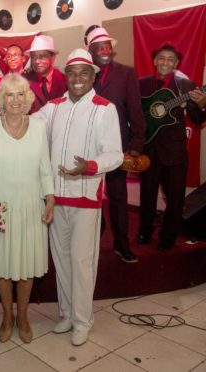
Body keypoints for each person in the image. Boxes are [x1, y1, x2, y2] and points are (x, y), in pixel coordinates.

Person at [35, 49, 123, 346]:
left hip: (86, 197)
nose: (77, 79)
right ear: (66, 76)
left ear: (93, 76)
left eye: (84, 73)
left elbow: (116, 154)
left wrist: (91, 166)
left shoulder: (104, 108)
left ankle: (83, 320)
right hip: (55, 198)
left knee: (82, 261)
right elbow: (26, 125)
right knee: (61, 260)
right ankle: (67, 314)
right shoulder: (53, 107)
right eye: (71, 73)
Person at [0, 73, 55, 344]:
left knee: (27, 266)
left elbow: (45, 169)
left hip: (31, 207)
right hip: (0, 207)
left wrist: (50, 197)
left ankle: (23, 318)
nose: (16, 100)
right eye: (10, 95)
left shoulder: (39, 127)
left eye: (21, 94)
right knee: (3, 266)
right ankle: (8, 317)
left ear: (28, 98)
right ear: (1, 100)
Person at [138, 43, 206, 250]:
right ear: (154, 61)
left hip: (175, 152)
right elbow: (133, 111)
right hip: (148, 148)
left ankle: (168, 236)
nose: (165, 62)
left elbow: (197, 119)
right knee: (147, 195)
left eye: (170, 59)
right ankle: (144, 231)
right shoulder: (141, 84)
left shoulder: (185, 86)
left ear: (176, 64)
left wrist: (203, 104)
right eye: (161, 58)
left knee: (175, 198)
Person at [86, 26, 146, 263]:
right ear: (90, 50)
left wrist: (136, 144)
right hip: (88, 148)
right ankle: (92, 241)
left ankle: (122, 244)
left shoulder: (126, 73)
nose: (104, 50)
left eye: (107, 46)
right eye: (98, 47)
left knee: (119, 199)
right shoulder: (83, 72)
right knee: (90, 197)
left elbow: (135, 112)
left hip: (117, 148)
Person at [23, 35, 66, 113]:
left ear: (52, 57)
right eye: (33, 57)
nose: (37, 61)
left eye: (42, 57)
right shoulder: (24, 80)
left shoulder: (64, 79)